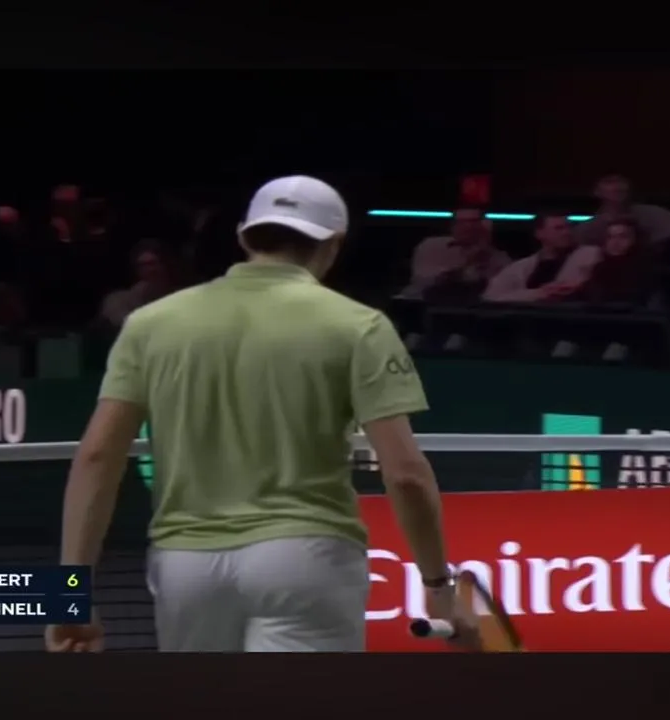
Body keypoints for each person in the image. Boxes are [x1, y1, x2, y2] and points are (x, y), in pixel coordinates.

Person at [46, 175, 470, 652]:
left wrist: (68, 598)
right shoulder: (359, 326)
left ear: (245, 237)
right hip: (307, 558)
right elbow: (406, 474)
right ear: (334, 243)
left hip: (186, 567)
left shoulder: (149, 324)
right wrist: (439, 588)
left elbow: (97, 457)